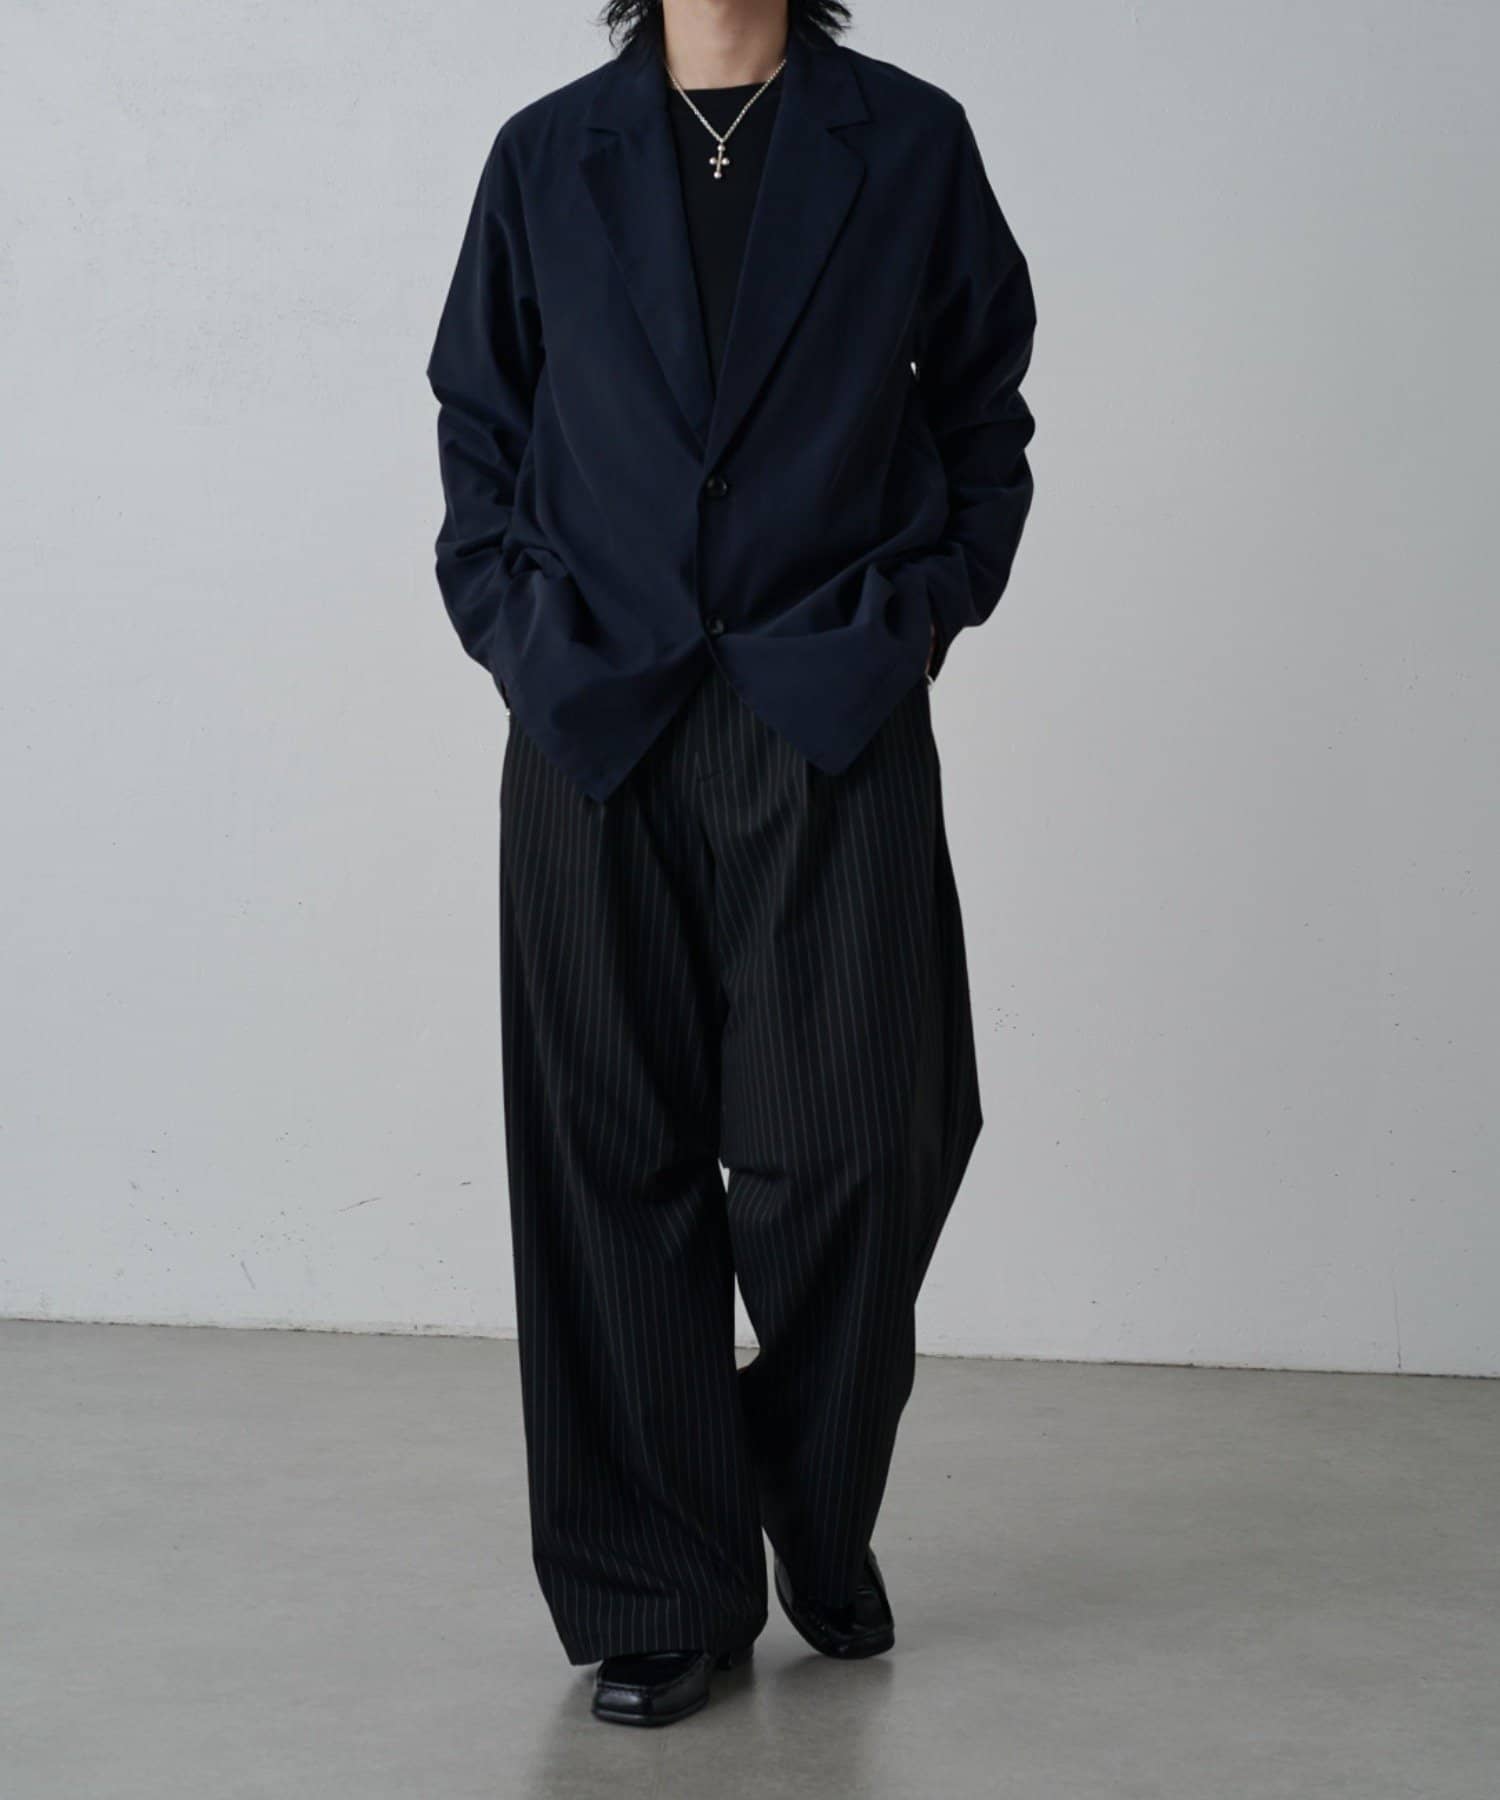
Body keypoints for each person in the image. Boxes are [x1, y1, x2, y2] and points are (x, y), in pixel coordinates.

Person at [424, 0, 1035, 1728]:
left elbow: (984, 410)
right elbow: (479, 419)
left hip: (825, 707)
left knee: (866, 1143)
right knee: (606, 1162)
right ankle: (659, 1592)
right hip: (593, 719)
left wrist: (910, 622)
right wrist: (520, 633)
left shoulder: (906, 140)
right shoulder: (546, 156)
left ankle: (800, 1496)